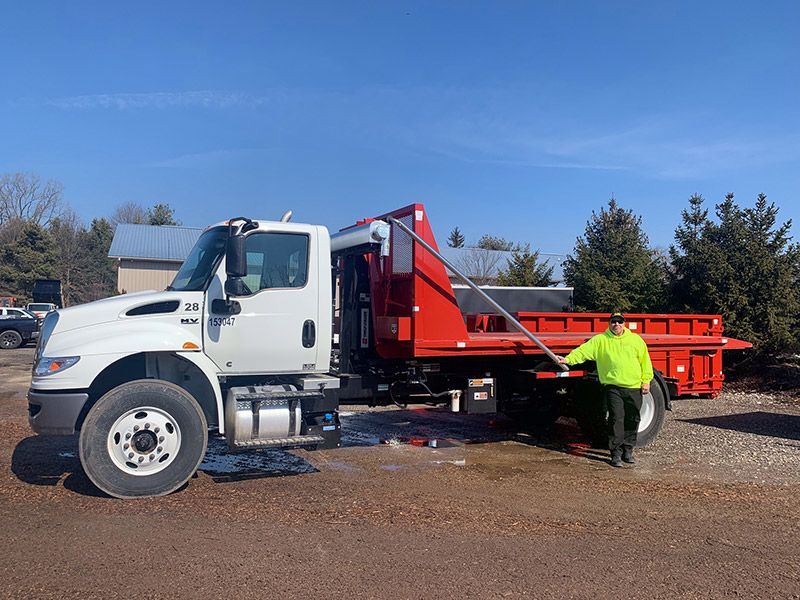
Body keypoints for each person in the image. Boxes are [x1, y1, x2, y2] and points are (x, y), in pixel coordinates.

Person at [555, 312, 653, 467]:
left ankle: (628, 450)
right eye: (614, 322)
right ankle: (615, 454)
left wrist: (646, 381)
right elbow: (583, 351)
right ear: (609, 323)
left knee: (632, 419)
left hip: (634, 387)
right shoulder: (601, 340)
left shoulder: (636, 340)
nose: (617, 325)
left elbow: (645, 361)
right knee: (616, 419)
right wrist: (568, 359)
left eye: (620, 322)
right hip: (613, 387)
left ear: (624, 323)